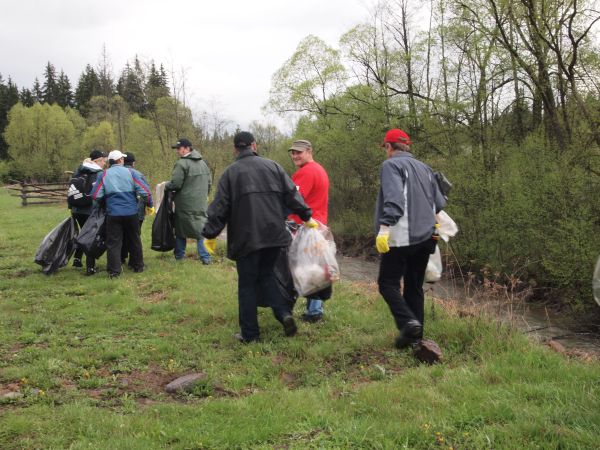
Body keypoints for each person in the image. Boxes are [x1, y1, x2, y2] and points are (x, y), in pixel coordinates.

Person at [202, 131, 315, 343]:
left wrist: (210, 233)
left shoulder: (230, 173)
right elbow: (292, 194)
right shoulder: (273, 167)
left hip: (247, 239)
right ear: (254, 145)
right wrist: (306, 215)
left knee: (247, 285)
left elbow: (220, 207)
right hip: (275, 235)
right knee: (267, 277)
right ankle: (284, 314)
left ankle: (250, 334)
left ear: (235, 149)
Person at [374, 128, 446, 350]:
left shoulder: (391, 165)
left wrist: (384, 228)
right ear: (408, 146)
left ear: (389, 147)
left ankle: (408, 323)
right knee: (414, 286)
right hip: (427, 236)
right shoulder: (425, 168)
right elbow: (441, 203)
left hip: (401, 236)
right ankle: (417, 341)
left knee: (387, 284)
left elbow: (394, 200)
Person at [287, 139, 331, 323]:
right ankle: (315, 311)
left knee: (294, 268)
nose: (295, 156)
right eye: (293, 152)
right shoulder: (320, 169)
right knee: (313, 267)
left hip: (305, 227)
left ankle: (288, 310)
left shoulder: (305, 172)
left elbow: (293, 200)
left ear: (309, 151)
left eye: (299, 152)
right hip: (319, 224)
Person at [91, 150, 153, 278]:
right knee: (134, 239)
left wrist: (105, 203)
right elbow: (145, 191)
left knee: (113, 242)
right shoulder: (131, 173)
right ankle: (138, 266)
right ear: (120, 160)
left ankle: (114, 271)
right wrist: (146, 204)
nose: (124, 160)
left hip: (113, 213)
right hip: (131, 212)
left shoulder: (103, 174)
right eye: (122, 159)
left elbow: (96, 195)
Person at [166, 138, 212, 265]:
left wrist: (166, 185)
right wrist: (204, 196)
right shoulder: (204, 163)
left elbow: (176, 184)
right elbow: (209, 183)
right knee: (201, 230)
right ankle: (206, 258)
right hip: (200, 203)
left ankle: (179, 256)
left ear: (187, 148)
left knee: (181, 230)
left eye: (179, 149)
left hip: (184, 204)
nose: (177, 151)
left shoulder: (181, 164)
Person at [70, 149, 106, 275]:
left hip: (75, 209)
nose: (104, 164)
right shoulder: (97, 173)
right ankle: (90, 267)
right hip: (89, 210)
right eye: (103, 161)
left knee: (82, 234)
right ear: (98, 161)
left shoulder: (78, 171)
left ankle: (77, 259)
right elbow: (97, 193)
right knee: (91, 237)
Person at [121, 152, 152, 267]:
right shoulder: (137, 174)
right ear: (133, 163)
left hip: (118, 210)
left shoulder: (116, 174)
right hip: (136, 211)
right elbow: (146, 191)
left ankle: (121, 258)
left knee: (122, 235)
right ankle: (133, 261)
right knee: (134, 236)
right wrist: (150, 205)